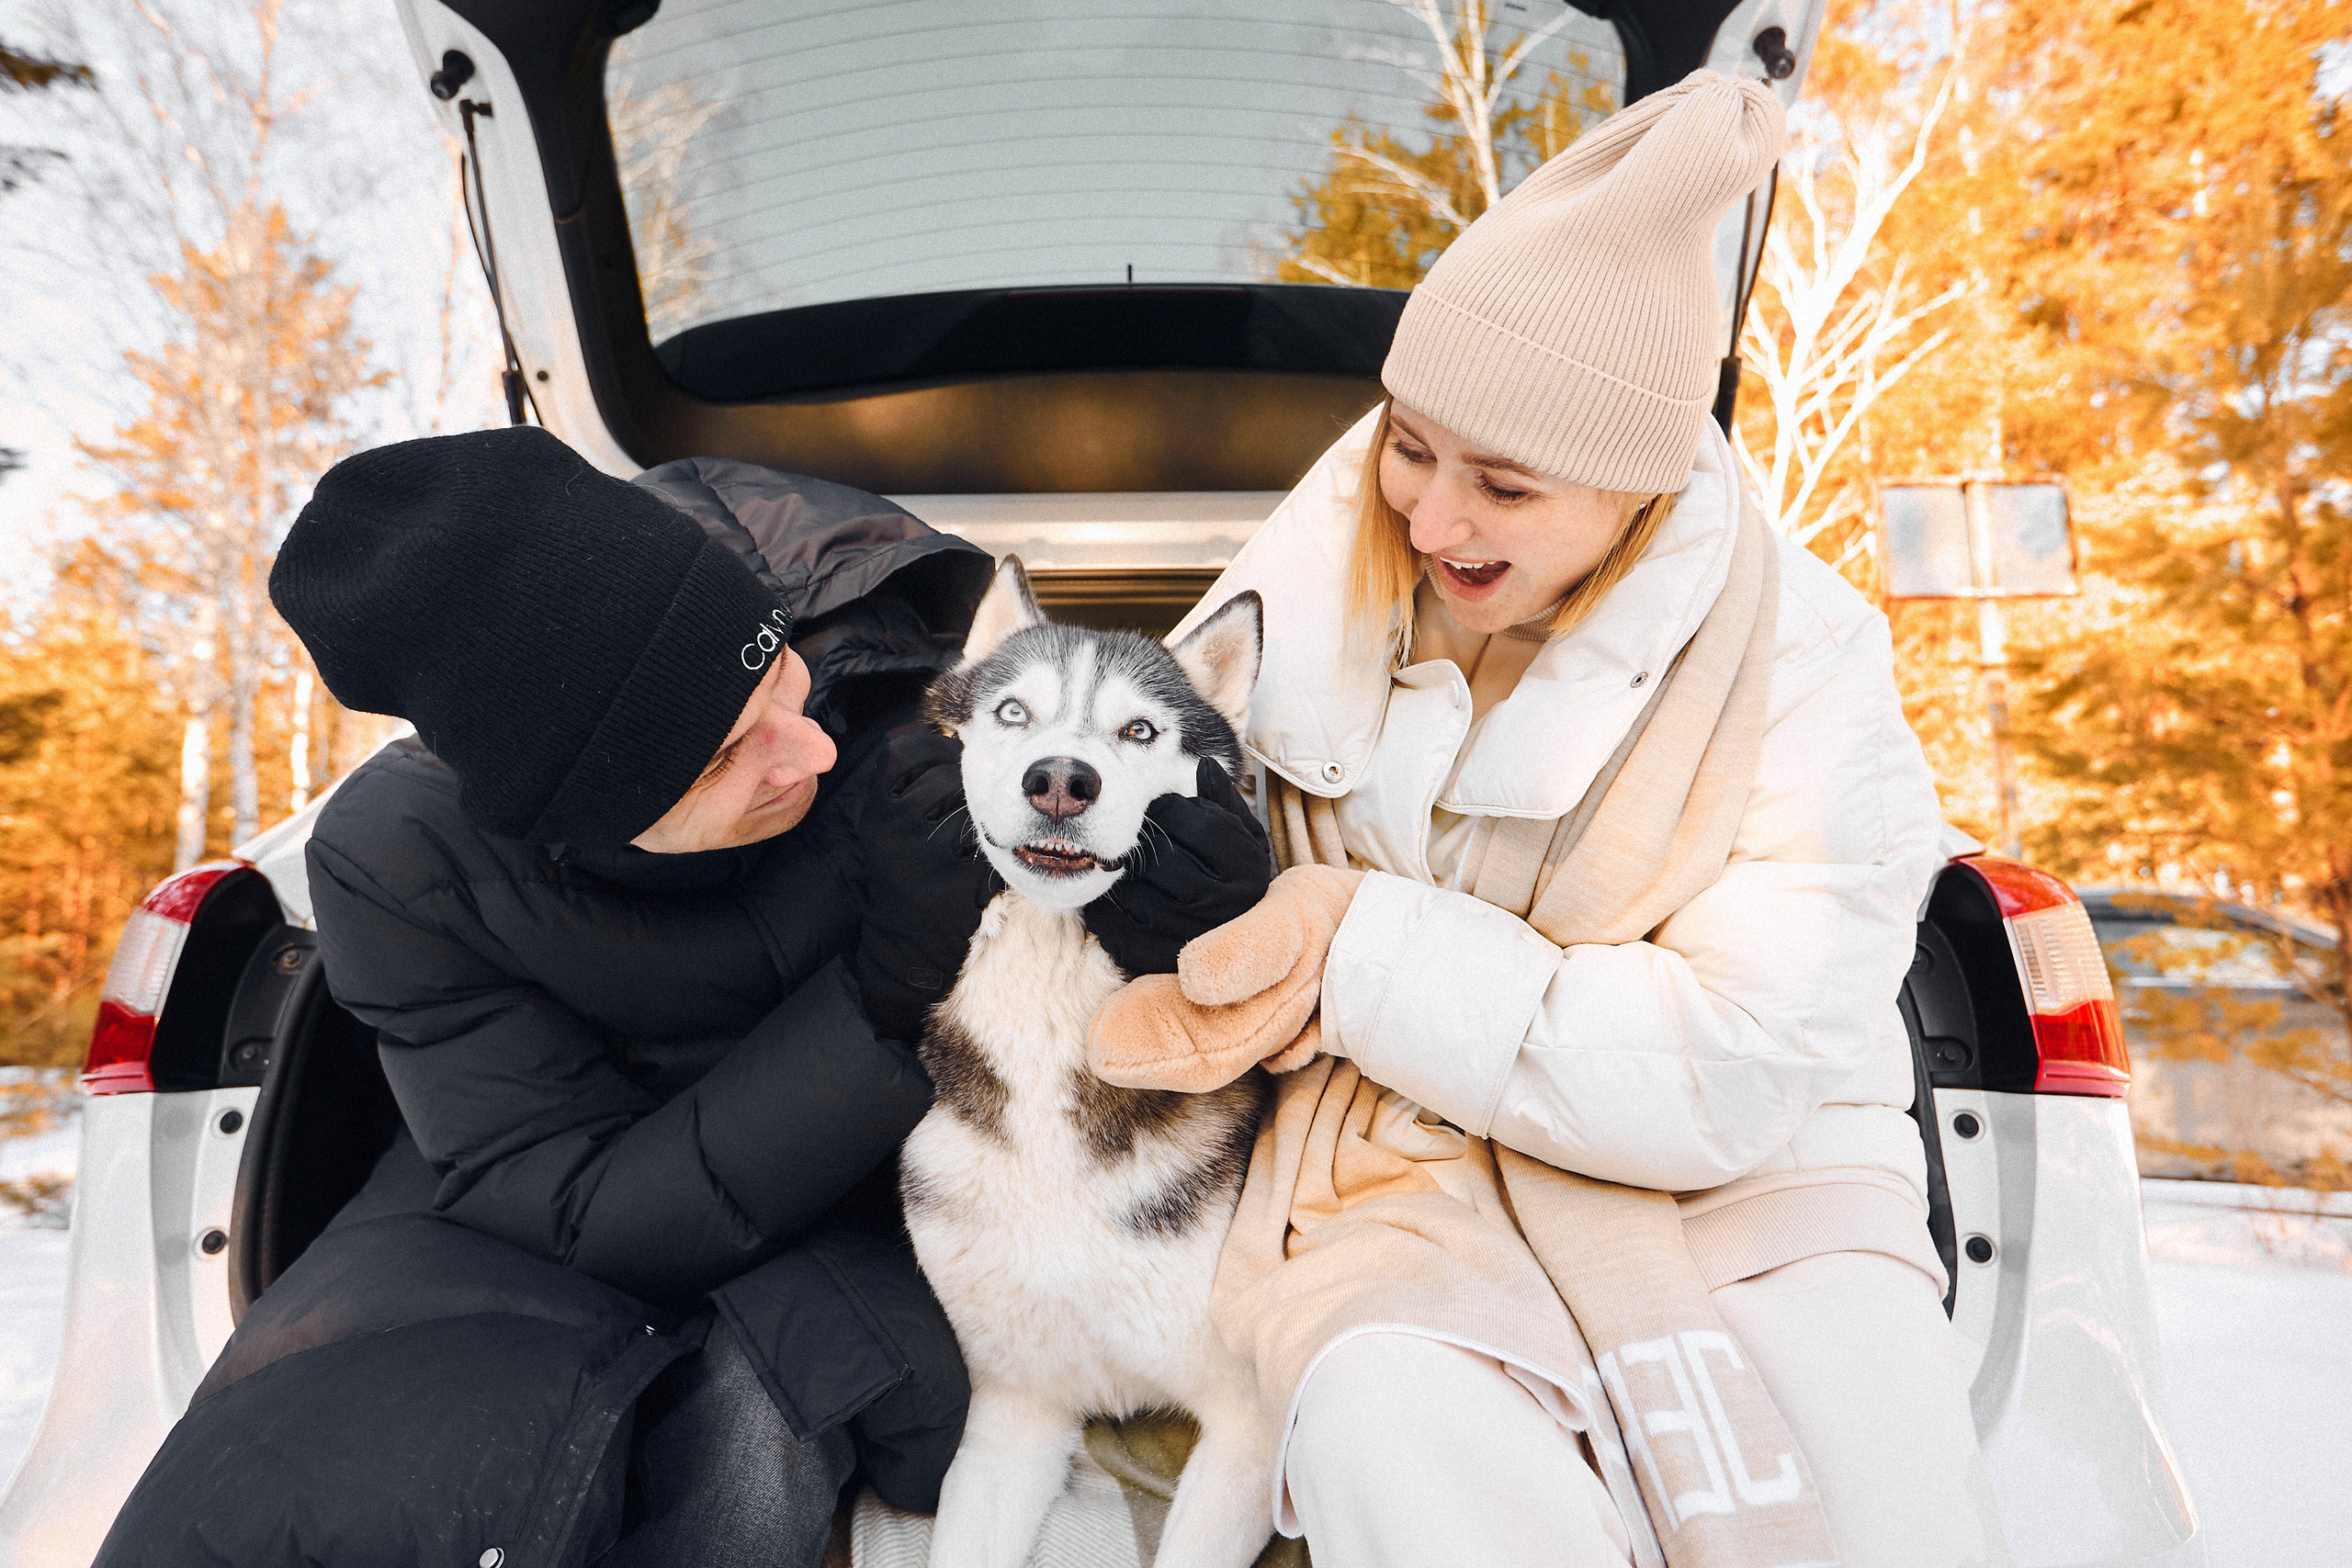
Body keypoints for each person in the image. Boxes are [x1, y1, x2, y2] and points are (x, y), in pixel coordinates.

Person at [1089, 73, 2008, 1568]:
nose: (1431, 519)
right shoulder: (1312, 570)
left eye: (1504, 486)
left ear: (1637, 492)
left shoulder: (1808, 661)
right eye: (1410, 444)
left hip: (1739, 1183)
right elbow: (1160, 828)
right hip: (1391, 1167)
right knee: (1388, 1424)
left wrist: (1359, 947)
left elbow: (1736, 1058)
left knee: (1868, 1502)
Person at [91, 427, 1271, 1568]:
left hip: (899, 1179)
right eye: (722, 758)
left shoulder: (910, 669)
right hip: (588, 1204)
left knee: (784, 1423)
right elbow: (565, 1202)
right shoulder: (398, 863)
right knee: (331, 1491)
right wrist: (879, 996)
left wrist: (1185, 924)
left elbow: (1120, 839)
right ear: (579, 815)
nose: (807, 752)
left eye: (778, 675)